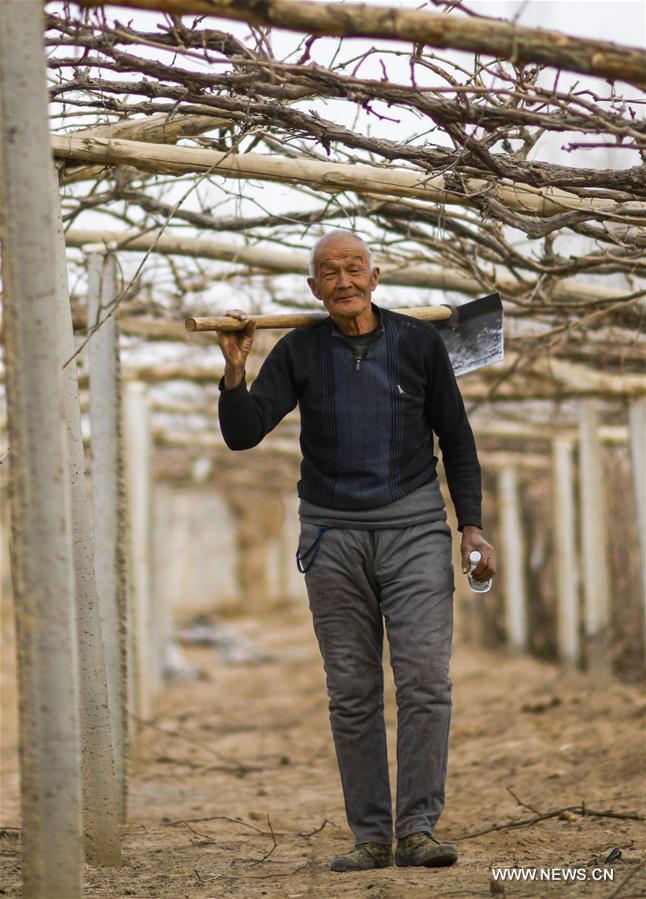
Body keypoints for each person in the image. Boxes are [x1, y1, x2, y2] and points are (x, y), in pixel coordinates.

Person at [217, 230, 496, 873]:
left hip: (416, 530)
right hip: (331, 536)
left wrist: (471, 528)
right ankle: (371, 835)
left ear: (376, 277)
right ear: (312, 289)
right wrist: (235, 370)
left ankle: (418, 828)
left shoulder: (419, 345)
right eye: (327, 274)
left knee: (425, 678)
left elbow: (457, 438)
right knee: (351, 689)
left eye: (353, 269)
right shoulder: (299, 350)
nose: (342, 281)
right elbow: (243, 434)